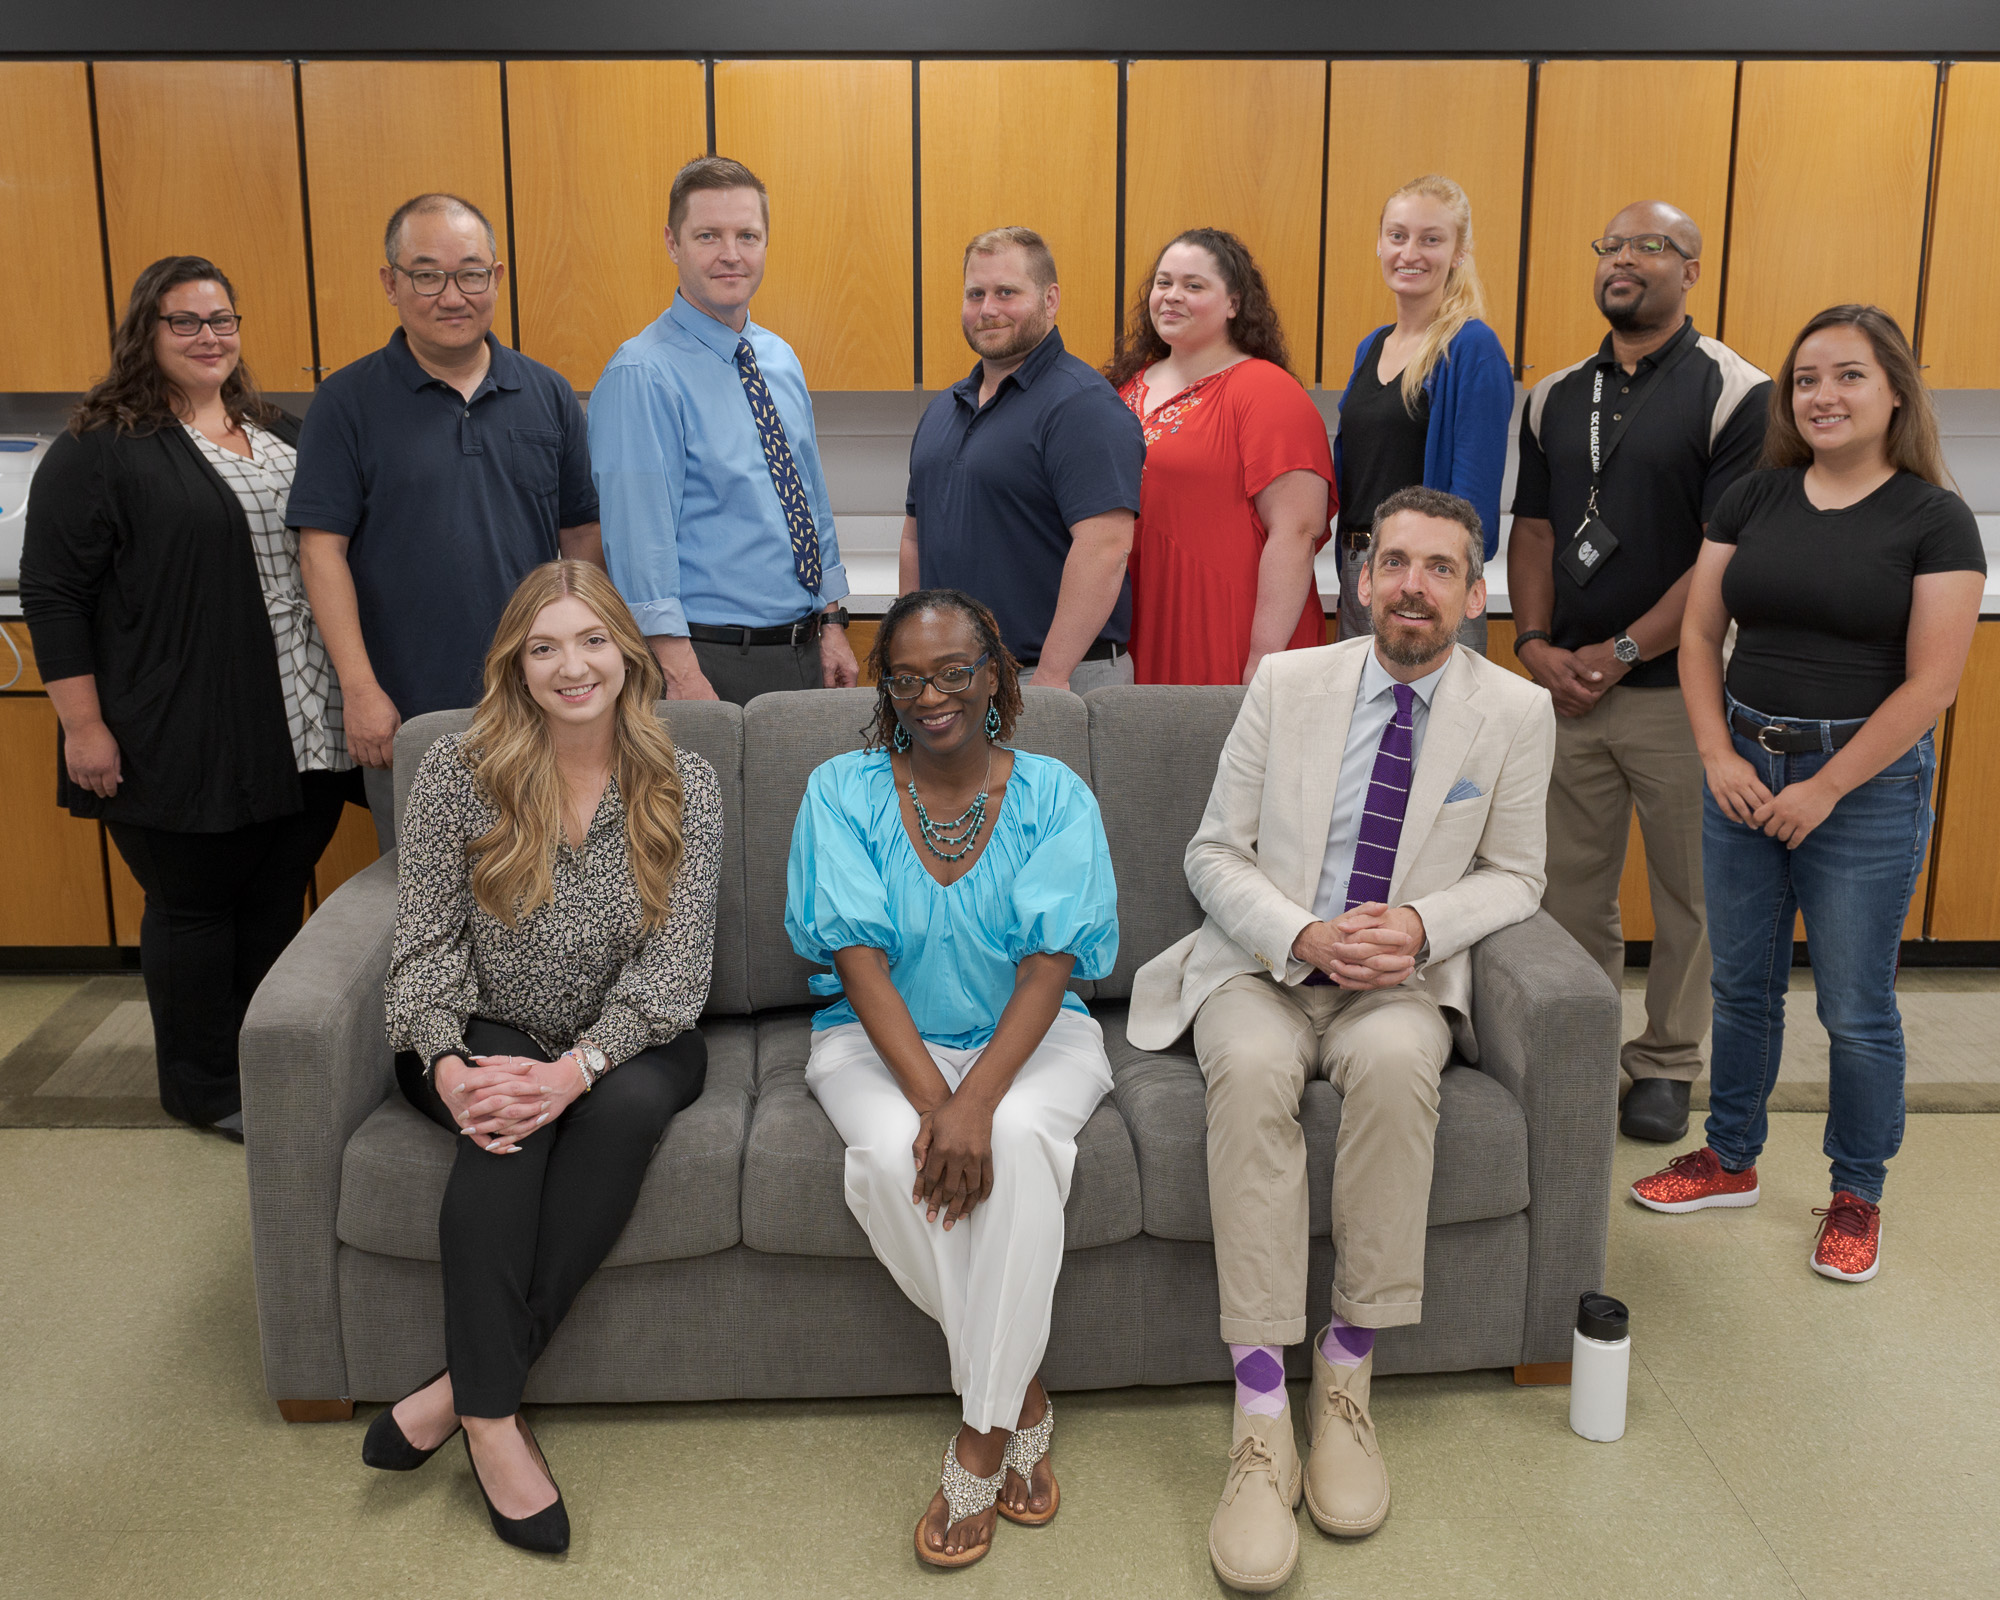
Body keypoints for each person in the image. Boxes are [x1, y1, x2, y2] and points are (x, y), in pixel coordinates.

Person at [1129, 486, 1552, 1593]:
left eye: (1441, 568)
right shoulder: (1288, 683)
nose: (1413, 585)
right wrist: (1303, 930)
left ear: (1472, 588)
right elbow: (1212, 854)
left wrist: (1417, 927)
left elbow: (1517, 874)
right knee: (1257, 1070)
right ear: (1359, 579)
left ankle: (1348, 1375)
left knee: (1403, 1062)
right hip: (1262, 966)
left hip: (1395, 983)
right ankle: (1261, 1404)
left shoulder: (1512, 713)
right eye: (1395, 563)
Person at [369, 560, 719, 1553]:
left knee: (624, 1111)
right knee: (497, 1131)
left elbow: (674, 970)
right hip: (482, 1022)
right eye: (545, 646)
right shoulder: (455, 771)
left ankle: (461, 1393)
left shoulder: (681, 783)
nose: (573, 665)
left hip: (634, 1035)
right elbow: (426, 945)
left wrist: (575, 1071)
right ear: (516, 667)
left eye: (592, 639)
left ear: (625, 652)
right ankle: (492, 1423)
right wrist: (449, 1069)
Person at [1632, 307, 1985, 1284]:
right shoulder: (1752, 497)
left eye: (1846, 377)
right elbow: (1699, 636)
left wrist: (1824, 788)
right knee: (1740, 987)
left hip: (1858, 789)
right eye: (1803, 380)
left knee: (1854, 1005)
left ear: (1893, 393)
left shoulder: (1932, 519)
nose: (1820, 396)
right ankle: (1730, 1156)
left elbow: (1930, 685)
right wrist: (1716, 756)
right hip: (1741, 768)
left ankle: (1854, 1191)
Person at [784, 588, 1118, 1569]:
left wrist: (976, 1103)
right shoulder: (839, 792)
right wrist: (938, 1105)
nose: (931, 694)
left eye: (952, 671)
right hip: (872, 1039)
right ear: (885, 690)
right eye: (907, 677)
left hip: (1036, 1035)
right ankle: (1019, 1396)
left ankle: (978, 1439)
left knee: (1014, 1143)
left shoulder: (1054, 794)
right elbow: (855, 958)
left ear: (994, 677)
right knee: (891, 1157)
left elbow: (1051, 965)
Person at [22, 255, 357, 1141]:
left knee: (274, 896)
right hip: (175, 727)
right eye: (186, 322)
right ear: (147, 332)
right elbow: (56, 593)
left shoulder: (275, 428)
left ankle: (269, 1071)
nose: (210, 337)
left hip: (300, 719)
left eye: (223, 320)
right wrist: (82, 727)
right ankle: (203, 1088)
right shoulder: (101, 448)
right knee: (195, 907)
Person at [1507, 199, 1770, 1143]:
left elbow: (1722, 554)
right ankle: (1578, 1052)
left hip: (1678, 694)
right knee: (1565, 891)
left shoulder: (1740, 393)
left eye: (1650, 247)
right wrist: (1534, 644)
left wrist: (1620, 655)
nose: (1625, 260)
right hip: (1563, 689)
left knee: (1689, 894)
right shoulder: (1553, 393)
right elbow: (1532, 529)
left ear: (1692, 271)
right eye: (1611, 244)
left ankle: (1665, 1063)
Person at [293, 193, 601, 850]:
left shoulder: (547, 393)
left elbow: (581, 542)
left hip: (542, 703)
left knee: (552, 883)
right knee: (426, 900)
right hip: (411, 711)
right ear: (391, 283)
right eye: (427, 274)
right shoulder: (345, 403)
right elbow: (321, 553)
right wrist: (360, 690)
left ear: (496, 277)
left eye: (470, 273)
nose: (451, 294)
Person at [590, 156, 858, 705]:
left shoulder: (778, 358)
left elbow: (809, 499)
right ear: (672, 243)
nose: (731, 254)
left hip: (803, 648)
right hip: (707, 661)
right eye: (708, 235)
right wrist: (680, 673)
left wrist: (832, 623)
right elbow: (641, 545)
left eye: (747, 235)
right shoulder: (642, 373)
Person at [901, 227, 1145, 690]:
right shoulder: (943, 410)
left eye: (1006, 292)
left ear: (1050, 300)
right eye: (976, 293)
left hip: (1056, 676)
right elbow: (915, 540)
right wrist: (911, 654)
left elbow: (1106, 549)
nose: (987, 309)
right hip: (954, 680)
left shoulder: (1083, 406)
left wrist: (1052, 677)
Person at [1109, 228, 1335, 686]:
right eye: (1163, 282)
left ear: (1234, 303)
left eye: (1193, 286)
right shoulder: (1126, 386)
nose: (1172, 297)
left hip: (1230, 629)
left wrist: (1263, 660)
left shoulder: (1267, 391)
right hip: (1141, 618)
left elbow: (1296, 531)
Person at [1333, 175, 1515, 653]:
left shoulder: (1472, 348)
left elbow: (1471, 509)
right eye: (1398, 236)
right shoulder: (1371, 346)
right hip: (1363, 570)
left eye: (1430, 239)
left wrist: (1425, 575)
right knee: (1364, 723)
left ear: (1459, 251)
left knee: (1435, 724)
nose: (1410, 253)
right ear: (1379, 243)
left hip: (1424, 585)